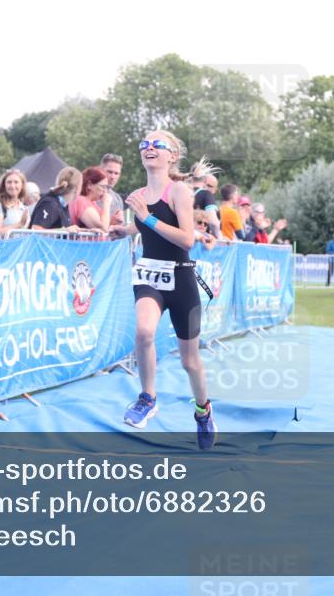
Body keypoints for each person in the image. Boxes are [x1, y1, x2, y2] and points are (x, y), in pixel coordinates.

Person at [108, 130, 216, 449]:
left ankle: (203, 410)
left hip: (180, 279)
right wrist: (125, 229)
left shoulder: (179, 190)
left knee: (189, 361)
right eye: (145, 144)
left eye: (158, 145)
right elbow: (142, 226)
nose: (149, 148)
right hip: (149, 276)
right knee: (143, 332)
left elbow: (187, 239)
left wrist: (145, 217)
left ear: (172, 156)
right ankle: (148, 397)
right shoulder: (139, 193)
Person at [69, 166, 112, 232]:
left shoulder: (92, 202)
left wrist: (114, 221)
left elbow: (104, 223)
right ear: (89, 185)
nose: (105, 191)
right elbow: (103, 228)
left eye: (106, 187)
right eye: (103, 186)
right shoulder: (81, 201)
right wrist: (106, 204)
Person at [0, 169, 29, 236]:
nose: (12, 186)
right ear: (4, 186)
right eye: (9, 182)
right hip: (2, 246)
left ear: (22, 185)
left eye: (16, 182)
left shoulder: (24, 208)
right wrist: (20, 224)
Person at [189, 157, 220, 237]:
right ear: (205, 180)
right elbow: (214, 222)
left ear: (191, 176)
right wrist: (219, 237)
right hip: (198, 241)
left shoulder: (181, 191)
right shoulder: (206, 194)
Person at [100, 153, 126, 226]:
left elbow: (120, 229)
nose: (112, 177)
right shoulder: (89, 193)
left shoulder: (118, 199)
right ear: (101, 170)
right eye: (109, 172)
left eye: (116, 173)